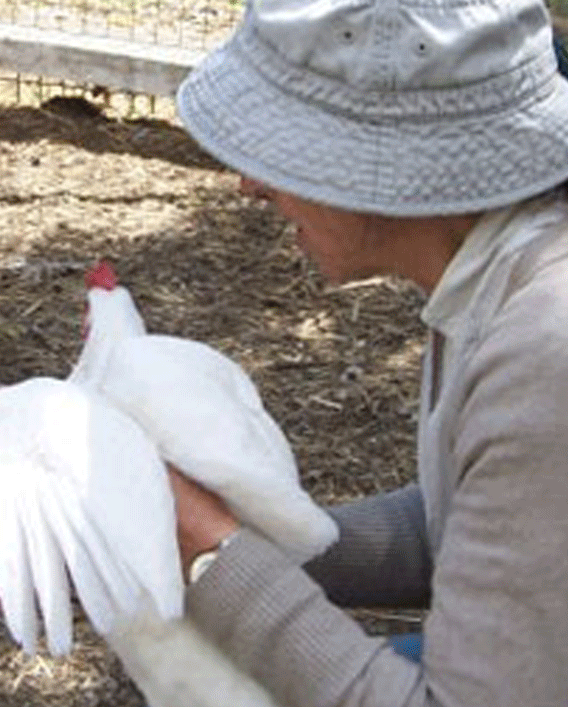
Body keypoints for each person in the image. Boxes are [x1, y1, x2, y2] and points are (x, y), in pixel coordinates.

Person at [167, 0, 568, 704]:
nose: (250, 183)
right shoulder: (497, 273)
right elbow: (468, 519)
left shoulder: (546, 345)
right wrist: (268, 536)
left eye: (283, 142)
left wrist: (208, 554)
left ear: (391, 162)